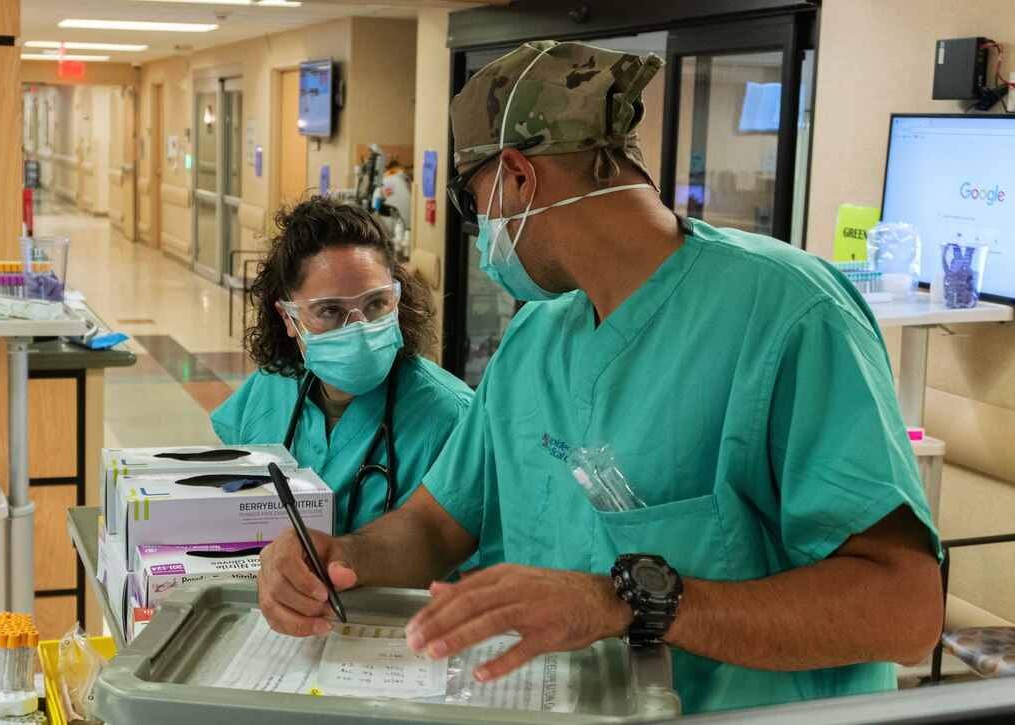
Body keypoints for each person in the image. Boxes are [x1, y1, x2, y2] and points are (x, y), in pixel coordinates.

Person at [257, 41, 943, 714]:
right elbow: (435, 527)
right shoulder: (536, 338)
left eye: (476, 203)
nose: (482, 231)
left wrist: (625, 601)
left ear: (520, 176)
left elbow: (905, 608)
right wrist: (337, 556)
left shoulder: (786, 314)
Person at [211, 195, 473, 536]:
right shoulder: (271, 385)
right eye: (330, 310)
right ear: (288, 317)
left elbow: (465, 559)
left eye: (376, 303)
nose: (358, 328)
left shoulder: (450, 415)